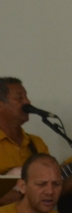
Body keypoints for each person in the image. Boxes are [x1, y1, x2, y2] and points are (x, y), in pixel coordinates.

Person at [0, 78, 49, 206]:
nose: (27, 101)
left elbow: (52, 188)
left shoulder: (36, 143)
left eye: (26, 96)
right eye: (19, 98)